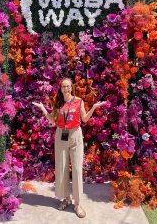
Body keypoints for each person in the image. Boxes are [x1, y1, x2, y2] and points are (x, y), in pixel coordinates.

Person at [32, 77, 106, 218]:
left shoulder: (78, 101)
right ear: (60, 89)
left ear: (71, 87)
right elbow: (52, 120)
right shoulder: (58, 102)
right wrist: (42, 109)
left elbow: (84, 119)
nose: (66, 88)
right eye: (63, 86)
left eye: (68, 86)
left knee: (77, 169)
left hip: (75, 135)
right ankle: (66, 198)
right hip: (61, 135)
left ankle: (77, 204)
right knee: (62, 168)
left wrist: (94, 108)